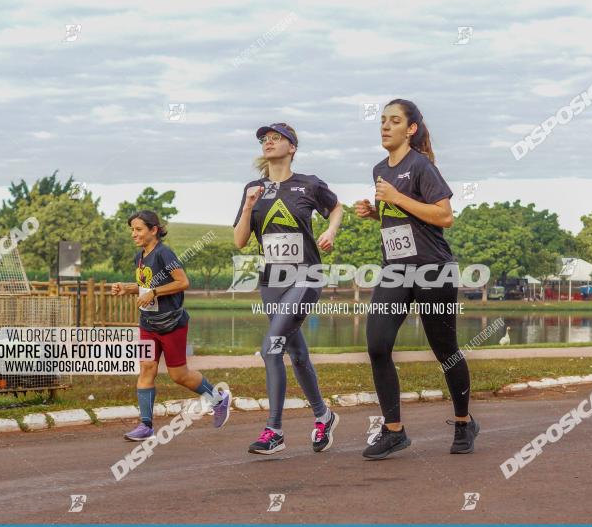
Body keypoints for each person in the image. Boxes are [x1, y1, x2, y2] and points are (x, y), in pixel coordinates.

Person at [355, 99, 478, 460]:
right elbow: (404, 216)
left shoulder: (421, 165)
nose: (385, 126)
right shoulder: (380, 168)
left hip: (432, 269)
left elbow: (443, 216)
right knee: (377, 345)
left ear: (411, 129)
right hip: (395, 268)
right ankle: (393, 431)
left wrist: (393, 197)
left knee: (445, 352)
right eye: (382, 121)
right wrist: (376, 211)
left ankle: (463, 421)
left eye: (394, 121)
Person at [233, 122, 344, 454]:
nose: (268, 142)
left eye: (276, 138)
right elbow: (240, 242)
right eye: (265, 139)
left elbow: (336, 207)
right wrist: (250, 205)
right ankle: (324, 415)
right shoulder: (253, 188)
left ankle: (275, 430)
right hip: (271, 283)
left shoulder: (308, 185)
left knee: (271, 348)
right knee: (296, 354)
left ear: (292, 147)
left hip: (306, 277)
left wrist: (331, 231)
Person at [112, 210, 231, 441]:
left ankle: (218, 398)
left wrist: (154, 292)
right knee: (147, 368)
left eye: (138, 229)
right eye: (132, 230)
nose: (133, 234)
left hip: (171, 324)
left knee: (179, 375)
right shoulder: (142, 255)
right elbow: (147, 285)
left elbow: (183, 282)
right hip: (148, 323)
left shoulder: (164, 253)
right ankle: (146, 426)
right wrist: (129, 288)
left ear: (153, 230)